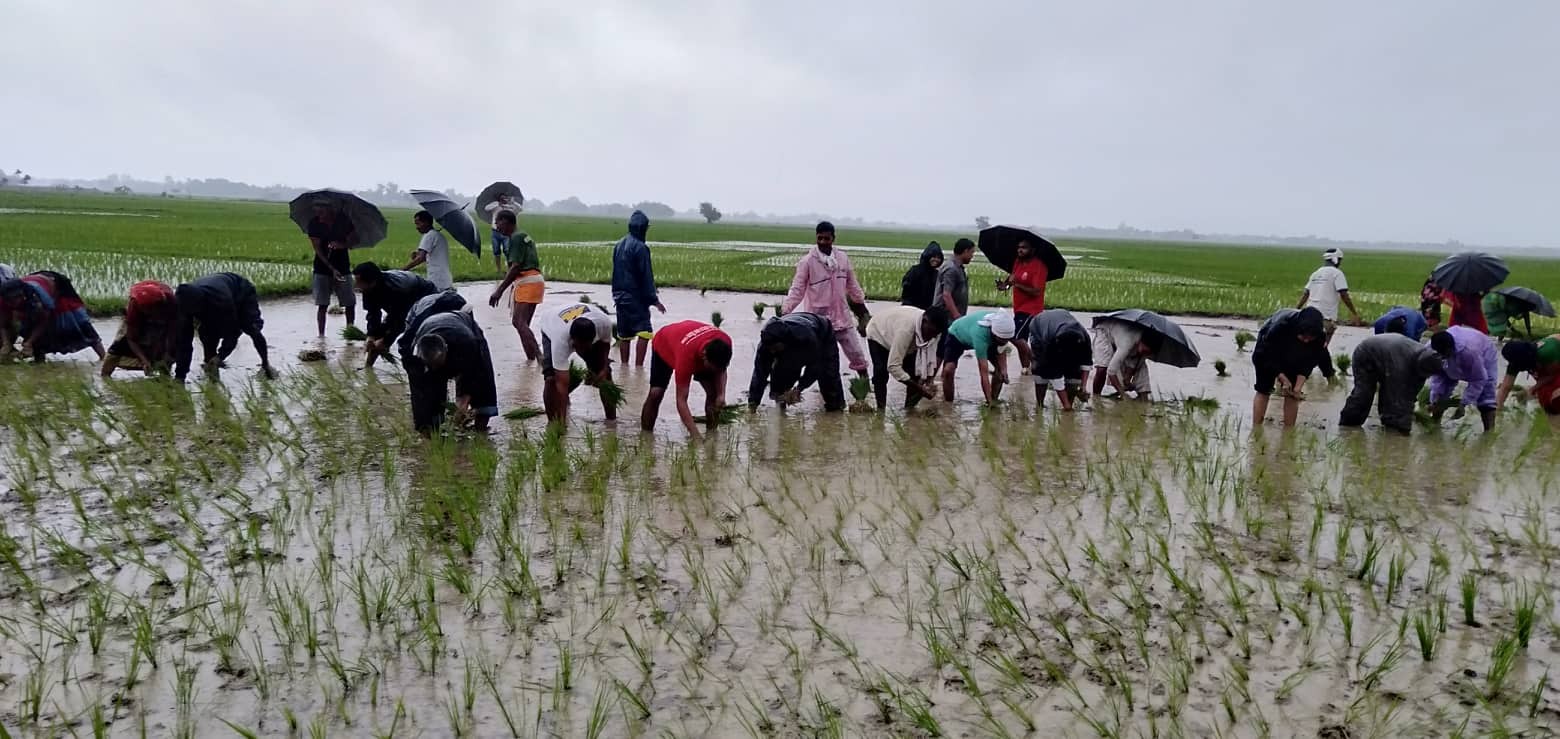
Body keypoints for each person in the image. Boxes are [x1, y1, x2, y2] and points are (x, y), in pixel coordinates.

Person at [400, 292, 498, 436]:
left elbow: (473, 372)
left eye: (438, 364)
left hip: (463, 326)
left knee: (484, 383)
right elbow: (419, 393)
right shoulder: (414, 355)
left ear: (446, 349)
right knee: (428, 395)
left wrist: (463, 401)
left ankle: (481, 433)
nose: (435, 368)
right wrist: (424, 424)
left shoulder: (466, 342)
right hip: (429, 327)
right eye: (431, 365)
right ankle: (432, 432)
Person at [781, 221, 870, 376]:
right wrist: (785, 311)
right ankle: (822, 393)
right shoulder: (807, 262)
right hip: (818, 321)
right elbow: (797, 289)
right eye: (819, 238)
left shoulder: (842, 258)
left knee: (858, 356)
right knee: (820, 360)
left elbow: (852, 285)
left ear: (833, 238)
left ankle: (865, 388)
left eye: (826, 239)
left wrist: (863, 310)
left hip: (842, 317)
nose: (823, 242)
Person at [172, 272, 274, 382]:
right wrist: (180, 376)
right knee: (207, 336)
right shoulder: (183, 307)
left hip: (240, 291)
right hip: (212, 296)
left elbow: (233, 333)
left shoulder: (221, 301)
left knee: (251, 328)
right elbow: (184, 343)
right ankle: (212, 372)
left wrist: (221, 356)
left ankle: (265, 364)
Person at [640, 320, 732, 439]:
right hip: (664, 342)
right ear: (704, 357)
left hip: (688, 338)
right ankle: (646, 438)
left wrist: (721, 394)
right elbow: (681, 401)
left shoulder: (725, 341)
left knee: (713, 395)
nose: (715, 372)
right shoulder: (685, 358)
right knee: (656, 393)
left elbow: (721, 370)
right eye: (712, 368)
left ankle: (712, 436)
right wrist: (695, 435)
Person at [1338, 333, 1444, 434]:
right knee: (1364, 393)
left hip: (1387, 355)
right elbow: (1396, 395)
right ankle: (1348, 426)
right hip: (1366, 354)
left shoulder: (1428, 359)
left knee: (1394, 400)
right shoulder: (1401, 366)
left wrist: (1415, 407)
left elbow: (1413, 389)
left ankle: (1390, 427)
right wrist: (1404, 426)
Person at [1250, 307, 1333, 428]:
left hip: (1294, 354)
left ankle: (1288, 433)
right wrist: (1282, 377)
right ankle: (1256, 428)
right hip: (1267, 351)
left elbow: (1309, 362)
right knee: (1264, 388)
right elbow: (1264, 355)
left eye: (1310, 338)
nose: (1306, 341)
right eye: (1303, 337)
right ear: (1298, 330)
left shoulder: (1319, 336)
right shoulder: (1281, 327)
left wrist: (1298, 386)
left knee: (1292, 393)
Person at [0, 270, 105, 364]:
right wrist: (6, 343)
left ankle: (104, 358)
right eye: (9, 300)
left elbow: (43, 322)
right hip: (37, 284)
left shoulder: (37, 297)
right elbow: (4, 324)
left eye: (14, 299)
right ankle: (39, 362)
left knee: (79, 323)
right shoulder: (3, 300)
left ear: (22, 295)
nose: (12, 302)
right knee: (27, 327)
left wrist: (29, 342)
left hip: (58, 286)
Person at [538, 302, 617, 425]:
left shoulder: (604, 324)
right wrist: (562, 426)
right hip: (550, 322)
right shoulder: (560, 339)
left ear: (593, 339)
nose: (581, 351)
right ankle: (553, 423)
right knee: (551, 379)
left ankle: (612, 421)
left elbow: (605, 345)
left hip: (580, 313)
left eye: (586, 347)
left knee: (606, 377)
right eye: (578, 347)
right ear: (572, 341)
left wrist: (604, 368)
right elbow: (561, 384)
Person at [749, 312, 845, 412]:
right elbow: (759, 374)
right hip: (793, 332)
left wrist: (799, 388)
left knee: (828, 375)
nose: (772, 351)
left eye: (775, 348)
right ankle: (780, 406)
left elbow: (815, 367)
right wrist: (753, 404)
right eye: (770, 349)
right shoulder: (766, 346)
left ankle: (836, 410)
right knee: (781, 372)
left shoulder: (806, 339)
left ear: (784, 342)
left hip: (822, 333)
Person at [353, 262, 438, 368]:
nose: (355, 285)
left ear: (372, 282)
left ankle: (422, 367)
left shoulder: (397, 289)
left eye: (358, 282)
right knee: (378, 335)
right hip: (401, 304)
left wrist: (386, 340)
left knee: (412, 333)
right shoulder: (368, 288)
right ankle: (368, 368)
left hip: (424, 296)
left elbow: (401, 320)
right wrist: (371, 336)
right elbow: (373, 314)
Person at [866, 305, 949, 410]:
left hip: (901, 337)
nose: (931, 337)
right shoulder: (906, 330)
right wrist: (919, 389)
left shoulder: (935, 332)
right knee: (881, 372)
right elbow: (893, 366)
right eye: (931, 332)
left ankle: (909, 411)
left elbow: (929, 360)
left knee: (916, 373)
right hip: (879, 332)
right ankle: (880, 411)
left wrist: (928, 381)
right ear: (924, 321)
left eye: (935, 334)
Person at [611, 210, 666, 367]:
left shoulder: (619, 245)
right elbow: (645, 276)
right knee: (645, 332)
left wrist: (616, 294)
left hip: (620, 297)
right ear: (643, 228)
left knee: (624, 335)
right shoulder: (641, 248)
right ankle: (639, 367)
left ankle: (624, 367)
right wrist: (654, 300)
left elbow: (615, 273)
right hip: (636, 298)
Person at [486, 210, 543, 361]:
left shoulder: (516, 238)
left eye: (498, 222)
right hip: (534, 281)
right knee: (523, 325)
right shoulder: (523, 235)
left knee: (518, 322)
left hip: (527, 281)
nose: (496, 226)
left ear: (505, 221)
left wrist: (499, 290)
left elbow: (515, 267)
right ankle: (531, 359)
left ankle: (540, 357)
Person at [1295, 248, 1361, 375]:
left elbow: (1305, 294)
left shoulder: (1315, 273)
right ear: (1336, 260)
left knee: (1306, 346)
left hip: (1307, 315)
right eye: (1340, 260)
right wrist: (1354, 312)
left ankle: (1305, 371)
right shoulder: (1337, 273)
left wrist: (1296, 310)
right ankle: (1325, 373)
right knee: (1320, 348)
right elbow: (1344, 294)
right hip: (1325, 317)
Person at [1428, 325, 1498, 432]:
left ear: (1451, 348)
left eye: (1446, 354)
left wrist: (1464, 403)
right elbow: (1438, 376)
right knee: (1440, 395)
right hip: (1454, 354)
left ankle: (1489, 433)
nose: (1444, 357)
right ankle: (1434, 426)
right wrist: (1435, 399)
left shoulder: (1469, 352)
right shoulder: (1430, 349)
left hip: (1484, 351)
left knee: (1486, 397)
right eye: (1441, 355)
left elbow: (1478, 379)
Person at [102, 280, 178, 376]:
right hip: (137, 308)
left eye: (153, 310)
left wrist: (168, 352)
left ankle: (165, 375)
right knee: (118, 345)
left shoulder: (171, 303)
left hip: (164, 313)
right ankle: (105, 376)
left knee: (164, 345)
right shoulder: (134, 307)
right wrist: (144, 361)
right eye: (147, 311)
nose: (151, 313)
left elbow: (172, 331)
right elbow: (131, 338)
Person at [305, 199, 357, 337]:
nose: (319, 216)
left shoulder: (344, 221)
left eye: (322, 212)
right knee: (322, 304)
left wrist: (342, 245)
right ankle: (321, 335)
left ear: (330, 210)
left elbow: (352, 241)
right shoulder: (314, 224)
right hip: (322, 268)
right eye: (317, 213)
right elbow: (317, 249)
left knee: (349, 302)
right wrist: (331, 268)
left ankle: (350, 331)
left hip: (343, 266)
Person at [941, 310, 1015, 404]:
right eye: (1001, 340)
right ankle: (948, 404)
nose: (1004, 342)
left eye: (1006, 340)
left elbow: (1002, 348)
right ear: (993, 333)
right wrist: (989, 402)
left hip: (990, 339)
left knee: (1000, 372)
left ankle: (994, 398)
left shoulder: (1003, 326)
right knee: (948, 370)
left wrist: (1004, 369)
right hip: (957, 335)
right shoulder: (981, 335)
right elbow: (983, 374)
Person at [1026, 309, 1093, 411]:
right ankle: (1040, 405)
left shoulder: (1084, 339)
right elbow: (1054, 374)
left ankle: (1068, 402)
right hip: (1039, 327)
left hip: (1059, 323)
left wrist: (1083, 387)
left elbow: (1086, 363)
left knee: (1073, 371)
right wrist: (1066, 405)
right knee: (1041, 370)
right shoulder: (1049, 341)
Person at [998, 238, 1049, 372]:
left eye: (1024, 247)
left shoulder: (1039, 266)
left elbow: (1036, 291)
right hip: (1019, 307)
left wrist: (1017, 285)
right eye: (1019, 247)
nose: (1020, 250)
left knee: (1015, 336)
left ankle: (1035, 359)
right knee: (1022, 340)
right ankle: (1025, 370)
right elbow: (1011, 280)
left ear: (1032, 250)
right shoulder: (1018, 262)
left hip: (1031, 309)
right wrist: (1004, 286)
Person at [1091, 317, 1161, 400]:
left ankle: (1142, 398)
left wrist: (1127, 380)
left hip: (1121, 335)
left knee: (1141, 365)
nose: (1145, 353)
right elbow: (1111, 371)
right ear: (1141, 342)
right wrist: (1123, 394)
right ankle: (1096, 398)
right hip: (1105, 330)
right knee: (1102, 368)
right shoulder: (1126, 344)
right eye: (1145, 350)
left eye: (1148, 352)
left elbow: (1133, 362)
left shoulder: (1144, 346)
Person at [1495, 336, 1560, 414]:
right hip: (1549, 365)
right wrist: (1497, 408)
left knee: (1555, 399)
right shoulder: (1516, 361)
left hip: (1556, 357)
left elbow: (1552, 375)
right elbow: (1505, 387)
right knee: (1544, 397)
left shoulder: (1546, 353)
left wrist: (1531, 389)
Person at [403, 210, 453, 291]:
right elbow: (429, 256)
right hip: (444, 279)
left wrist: (402, 270)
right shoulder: (437, 235)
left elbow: (421, 258)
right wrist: (417, 254)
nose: (417, 227)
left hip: (437, 280)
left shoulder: (429, 235)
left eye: (418, 223)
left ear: (426, 222)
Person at [898, 242, 944, 310]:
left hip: (928, 311)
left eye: (938, 258)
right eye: (934, 257)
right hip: (913, 309)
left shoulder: (937, 274)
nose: (936, 260)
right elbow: (906, 291)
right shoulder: (915, 271)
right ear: (928, 256)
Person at [937, 238, 975, 320]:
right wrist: (956, 315)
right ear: (965, 251)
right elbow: (946, 295)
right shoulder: (951, 269)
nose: (972, 256)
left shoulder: (958, 268)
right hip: (948, 318)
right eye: (971, 252)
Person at [484, 192, 522, 272]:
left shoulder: (510, 208)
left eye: (505, 198)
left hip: (506, 233)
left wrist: (512, 202)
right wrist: (498, 204)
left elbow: (519, 209)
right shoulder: (495, 206)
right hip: (495, 231)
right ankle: (498, 269)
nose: (504, 199)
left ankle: (509, 268)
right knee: (496, 251)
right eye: (502, 198)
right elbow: (486, 208)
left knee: (507, 250)